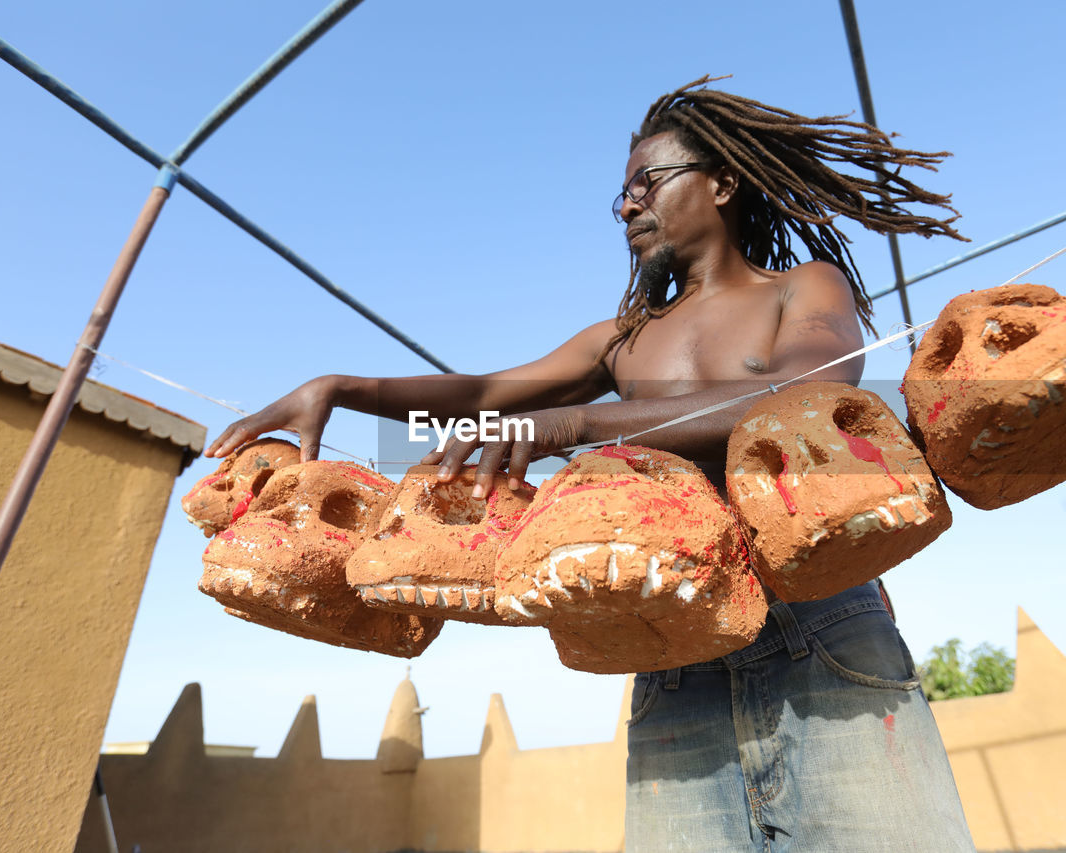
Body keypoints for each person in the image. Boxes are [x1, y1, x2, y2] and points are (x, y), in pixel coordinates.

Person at [207, 76, 976, 852]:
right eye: (621, 194)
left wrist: (574, 423)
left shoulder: (804, 285)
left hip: (822, 624)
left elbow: (804, 391)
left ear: (722, 183)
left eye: (648, 183)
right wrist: (338, 389)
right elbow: (482, 394)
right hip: (666, 638)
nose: (627, 206)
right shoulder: (623, 339)